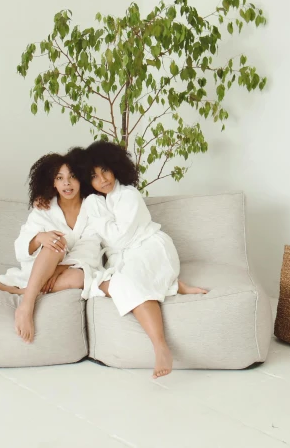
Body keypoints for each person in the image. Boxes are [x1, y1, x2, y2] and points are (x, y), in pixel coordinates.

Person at [83, 141, 207, 379]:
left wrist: (96, 213)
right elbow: (93, 238)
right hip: (129, 257)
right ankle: (172, 285)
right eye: (94, 176)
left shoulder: (129, 195)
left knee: (127, 282)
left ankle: (160, 347)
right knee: (109, 284)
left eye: (105, 170)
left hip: (152, 249)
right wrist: (93, 205)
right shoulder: (99, 201)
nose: (103, 179)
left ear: (115, 167)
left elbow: (118, 239)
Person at [0, 148, 101, 344]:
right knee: (55, 242)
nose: (67, 183)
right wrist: (39, 238)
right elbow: (20, 248)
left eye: (72, 177)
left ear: (81, 179)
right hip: (41, 268)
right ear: (53, 182)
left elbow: (91, 246)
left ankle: (23, 291)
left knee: (80, 278)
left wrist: (60, 269)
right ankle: (26, 306)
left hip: (70, 269)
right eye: (60, 178)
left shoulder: (93, 207)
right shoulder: (44, 207)